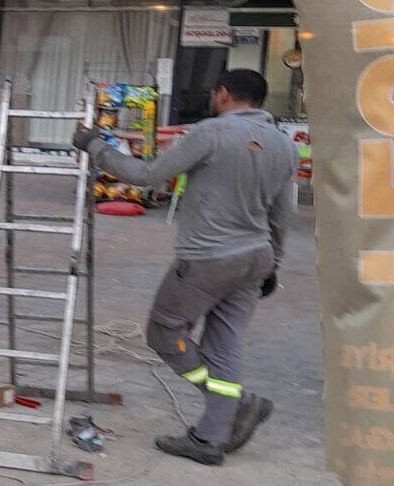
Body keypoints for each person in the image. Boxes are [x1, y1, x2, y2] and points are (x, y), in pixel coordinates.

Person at [72, 68, 296, 466]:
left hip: (208, 258)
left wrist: (94, 146)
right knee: (224, 343)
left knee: (164, 333)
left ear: (223, 94)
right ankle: (210, 437)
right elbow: (283, 213)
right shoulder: (283, 145)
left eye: (214, 93)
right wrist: (273, 261)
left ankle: (235, 404)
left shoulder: (210, 133)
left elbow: (146, 175)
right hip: (256, 256)